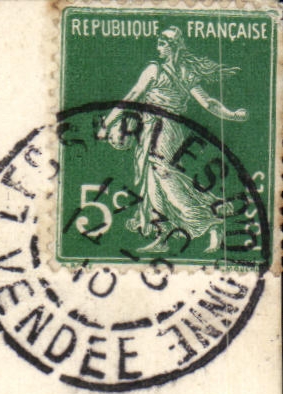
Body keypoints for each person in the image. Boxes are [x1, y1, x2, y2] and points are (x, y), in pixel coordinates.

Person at [98, 27, 249, 254]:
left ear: (173, 47)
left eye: (162, 43)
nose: (158, 47)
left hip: (160, 131)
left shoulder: (155, 69)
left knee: (165, 180)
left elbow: (132, 96)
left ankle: (208, 222)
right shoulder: (186, 73)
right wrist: (232, 114)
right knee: (156, 182)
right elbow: (209, 103)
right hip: (165, 130)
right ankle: (165, 234)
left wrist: (107, 122)